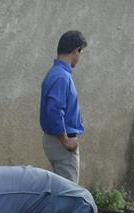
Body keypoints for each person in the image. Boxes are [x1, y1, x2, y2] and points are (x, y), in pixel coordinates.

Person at [40, 30, 86, 183]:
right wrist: (66, 141)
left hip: (56, 140)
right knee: (69, 194)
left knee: (60, 190)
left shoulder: (57, 73)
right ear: (75, 50)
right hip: (61, 143)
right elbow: (54, 111)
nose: (79, 57)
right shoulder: (61, 76)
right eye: (80, 52)